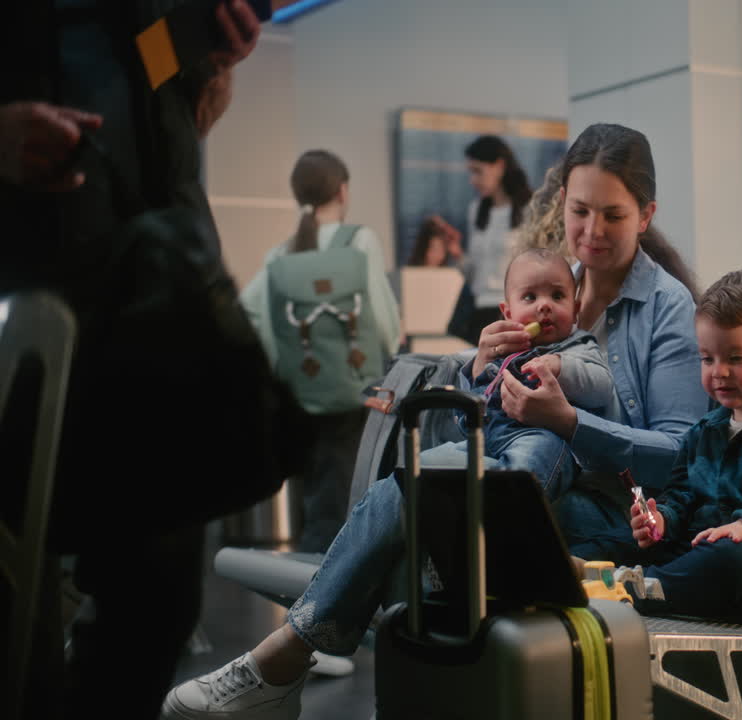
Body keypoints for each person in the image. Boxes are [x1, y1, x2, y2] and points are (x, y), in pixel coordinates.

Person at [160, 122, 706, 720]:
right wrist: (480, 365)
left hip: (614, 515)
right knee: (416, 491)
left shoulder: (669, 309)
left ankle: (280, 662)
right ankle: (290, 662)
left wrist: (570, 421)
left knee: (429, 512)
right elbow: (483, 400)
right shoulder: (553, 286)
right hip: (524, 484)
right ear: (562, 203)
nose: (592, 232)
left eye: (614, 216)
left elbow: (681, 457)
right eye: (580, 211)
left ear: (645, 215)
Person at [0, 2, 265, 718]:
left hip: (148, 301)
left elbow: (155, 104)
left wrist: (207, 65)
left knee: (155, 600)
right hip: (23, 302)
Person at [572, 269, 742, 620]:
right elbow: (681, 494)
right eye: (707, 358)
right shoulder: (704, 430)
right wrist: (662, 519)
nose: (718, 371)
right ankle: (570, 569)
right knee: (619, 540)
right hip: (693, 557)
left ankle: (628, 588)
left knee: (728, 560)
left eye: (735, 358)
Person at [239, 149, 401, 554]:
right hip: (355, 386)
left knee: (317, 496)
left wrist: (282, 367)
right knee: (353, 488)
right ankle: (341, 593)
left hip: (302, 392)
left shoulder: (281, 254)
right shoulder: (359, 240)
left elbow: (250, 313)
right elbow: (382, 317)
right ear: (342, 191)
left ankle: (312, 587)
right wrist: (389, 352)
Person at [416, 247, 615, 498]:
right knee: (421, 469)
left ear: (575, 310)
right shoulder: (500, 349)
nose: (544, 306)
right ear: (508, 312)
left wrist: (558, 366)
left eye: (557, 295)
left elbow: (601, 387)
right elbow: (467, 415)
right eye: (530, 297)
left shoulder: (580, 347)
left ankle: (498, 517)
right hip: (484, 439)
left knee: (528, 463)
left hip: (544, 438)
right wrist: (479, 368)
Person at [435, 135, 534, 345]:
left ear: (499, 166)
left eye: (477, 171)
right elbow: (473, 275)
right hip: (479, 310)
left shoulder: (530, 210)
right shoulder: (476, 211)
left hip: (511, 310)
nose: (473, 180)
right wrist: (457, 253)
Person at [404, 213, 473, 341]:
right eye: (433, 249)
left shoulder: (450, 278)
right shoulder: (410, 279)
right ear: (423, 248)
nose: (437, 255)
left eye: (441, 249)